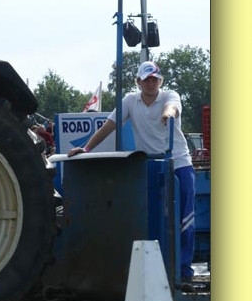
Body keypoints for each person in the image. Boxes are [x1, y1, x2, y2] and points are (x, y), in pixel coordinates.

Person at [67, 61, 196, 287]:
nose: (150, 83)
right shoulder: (129, 101)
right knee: (152, 217)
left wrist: (167, 114)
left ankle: (183, 271)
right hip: (152, 165)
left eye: (154, 79)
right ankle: (154, 269)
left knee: (185, 218)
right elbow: (108, 126)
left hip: (179, 163)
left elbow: (172, 108)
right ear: (138, 82)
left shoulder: (169, 95)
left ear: (160, 81)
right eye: (146, 80)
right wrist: (86, 149)